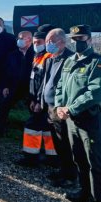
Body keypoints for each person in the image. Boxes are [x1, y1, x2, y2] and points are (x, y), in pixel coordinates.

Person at [55, 25, 101, 202]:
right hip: (71, 121)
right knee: (79, 159)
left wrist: (71, 108)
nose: (77, 43)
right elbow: (60, 85)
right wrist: (60, 105)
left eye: (81, 39)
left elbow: (95, 92)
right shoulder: (69, 61)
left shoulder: (98, 62)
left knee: (95, 163)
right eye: (74, 39)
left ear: (90, 40)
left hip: (89, 121)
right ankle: (84, 192)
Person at [41, 28, 77, 188]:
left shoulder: (71, 59)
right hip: (49, 107)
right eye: (47, 41)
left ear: (62, 42)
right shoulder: (50, 58)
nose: (47, 44)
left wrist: (64, 107)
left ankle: (70, 176)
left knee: (66, 144)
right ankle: (62, 170)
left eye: (51, 41)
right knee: (57, 142)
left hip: (61, 109)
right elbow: (46, 81)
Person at [18, 25, 56, 167]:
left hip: (44, 102)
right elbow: (34, 80)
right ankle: (50, 158)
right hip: (36, 99)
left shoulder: (49, 57)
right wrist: (32, 99)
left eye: (37, 42)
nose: (35, 45)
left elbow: (46, 82)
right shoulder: (38, 56)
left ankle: (31, 158)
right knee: (46, 129)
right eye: (34, 43)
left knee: (33, 126)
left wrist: (39, 101)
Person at [0, 31, 34, 137]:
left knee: (34, 110)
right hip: (13, 86)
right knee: (4, 105)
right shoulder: (12, 55)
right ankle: (0, 130)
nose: (19, 40)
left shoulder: (35, 55)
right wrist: (5, 86)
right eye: (18, 38)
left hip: (30, 87)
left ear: (29, 40)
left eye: (22, 38)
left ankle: (35, 135)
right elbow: (5, 71)